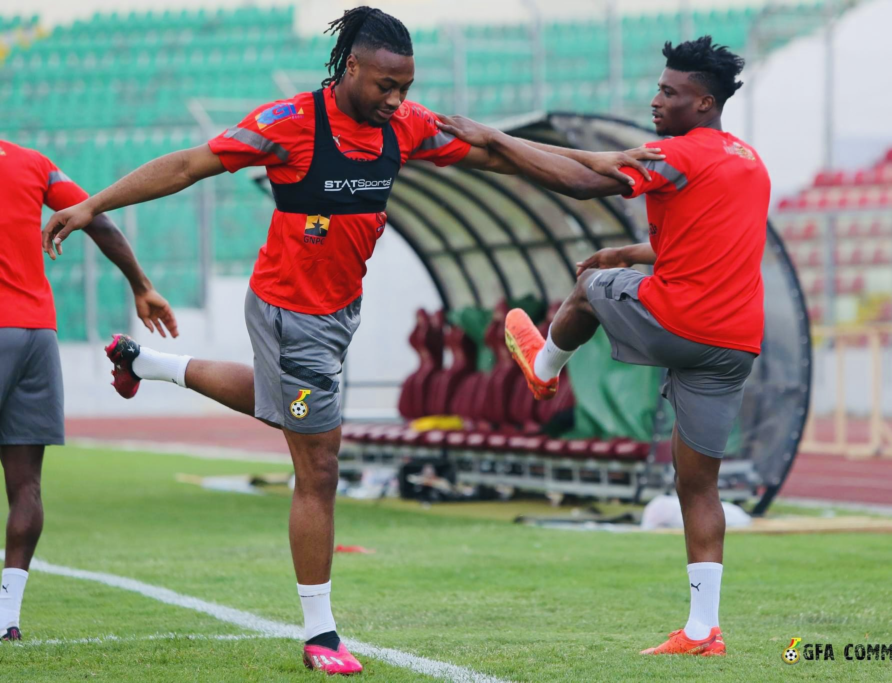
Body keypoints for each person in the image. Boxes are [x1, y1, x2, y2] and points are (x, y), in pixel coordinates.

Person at [40, 6, 661, 674]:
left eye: (407, 86)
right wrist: (93, 204)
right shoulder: (290, 124)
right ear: (351, 67)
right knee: (322, 464)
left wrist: (599, 161)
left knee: (286, 405)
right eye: (386, 85)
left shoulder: (405, 125)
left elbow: (496, 152)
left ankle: (148, 362)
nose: (397, 99)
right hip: (287, 309)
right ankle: (320, 632)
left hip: (339, 311)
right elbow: (191, 163)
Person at [437, 35, 769, 657]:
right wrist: (632, 253)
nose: (655, 99)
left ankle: (542, 369)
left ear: (702, 102)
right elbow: (703, 242)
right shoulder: (747, 160)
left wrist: (499, 140)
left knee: (589, 289)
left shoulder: (678, 155)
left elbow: (585, 183)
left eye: (669, 92)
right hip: (732, 345)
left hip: (682, 321)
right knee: (698, 486)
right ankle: (704, 630)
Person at [0, 140, 176, 642]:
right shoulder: (32, 162)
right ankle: (7, 618)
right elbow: (93, 215)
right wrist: (140, 284)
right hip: (37, 333)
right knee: (26, 485)